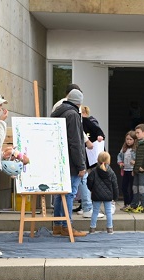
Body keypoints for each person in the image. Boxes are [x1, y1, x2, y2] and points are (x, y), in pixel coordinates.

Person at [50, 89, 89, 237]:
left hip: (59, 159)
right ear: (79, 103)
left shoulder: (59, 112)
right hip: (71, 162)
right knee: (69, 193)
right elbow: (75, 142)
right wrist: (81, 165)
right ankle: (67, 226)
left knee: (60, 194)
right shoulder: (73, 114)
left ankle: (58, 225)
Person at [87, 151, 119, 234]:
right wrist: (115, 197)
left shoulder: (94, 171)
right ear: (109, 161)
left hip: (96, 194)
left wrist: (92, 189)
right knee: (108, 212)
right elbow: (115, 185)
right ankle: (110, 228)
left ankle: (92, 228)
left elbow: (89, 182)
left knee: (95, 211)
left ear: (98, 159)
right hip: (108, 195)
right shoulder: (111, 172)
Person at [117, 130, 137, 210]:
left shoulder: (135, 149)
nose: (128, 141)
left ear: (134, 140)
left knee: (132, 188)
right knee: (124, 187)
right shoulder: (124, 148)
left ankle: (132, 203)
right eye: (127, 139)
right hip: (125, 170)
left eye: (130, 139)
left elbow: (139, 158)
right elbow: (119, 156)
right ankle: (126, 203)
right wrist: (120, 163)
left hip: (132, 170)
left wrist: (135, 162)